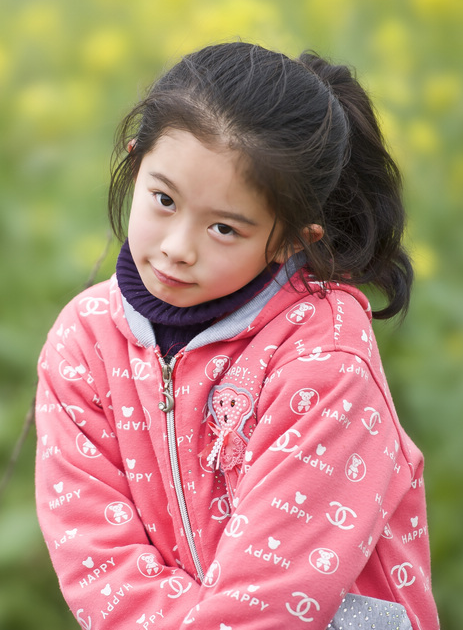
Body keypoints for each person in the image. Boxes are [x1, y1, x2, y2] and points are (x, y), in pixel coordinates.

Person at [34, 42, 438, 629]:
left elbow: (270, 603)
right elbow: (97, 560)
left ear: (294, 240)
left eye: (224, 228)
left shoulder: (324, 363)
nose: (178, 247)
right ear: (134, 159)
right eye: (163, 200)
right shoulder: (85, 343)